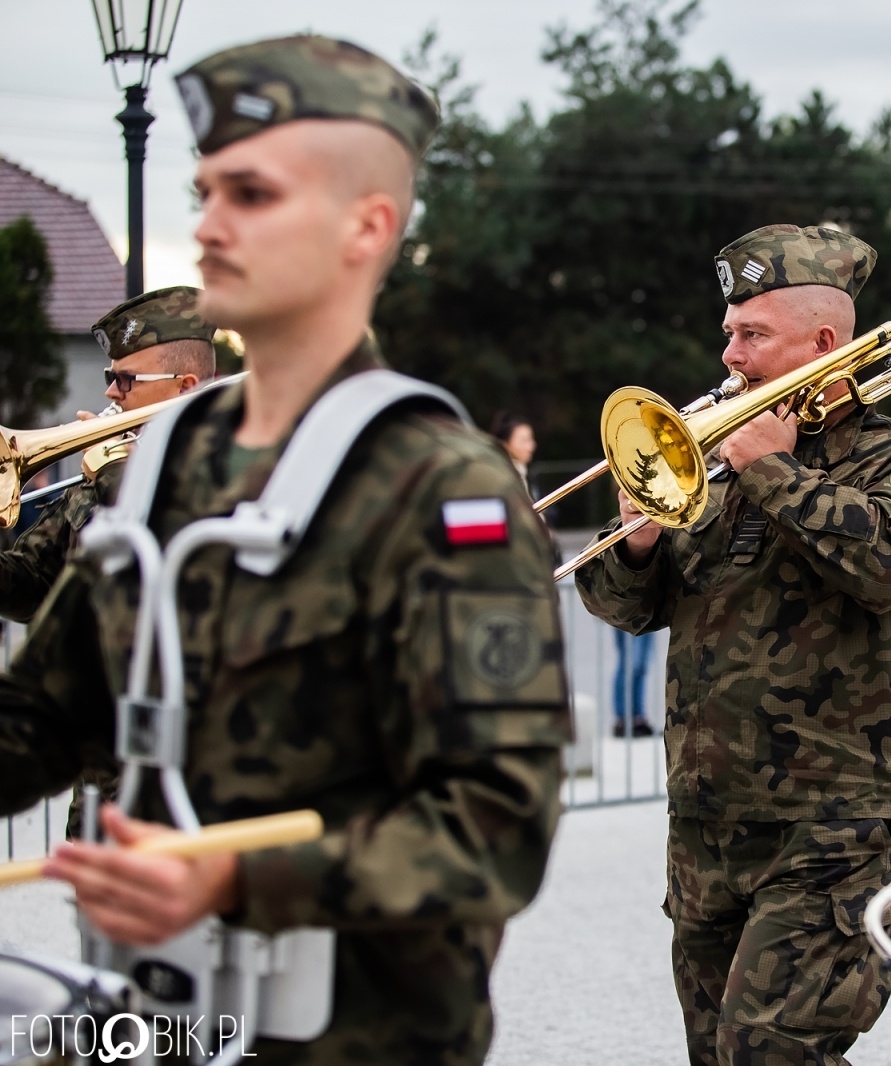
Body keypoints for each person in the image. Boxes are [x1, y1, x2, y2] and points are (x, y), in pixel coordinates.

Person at [0, 35, 569, 1064]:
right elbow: (40, 714)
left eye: (252, 195)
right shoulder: (164, 466)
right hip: (159, 1015)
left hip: (355, 1037)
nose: (209, 225)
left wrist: (235, 879)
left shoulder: (443, 487)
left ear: (368, 226)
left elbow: (494, 828)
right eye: (207, 191)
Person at [575, 223, 891, 1066]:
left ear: (824, 342)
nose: (731, 357)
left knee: (771, 1053)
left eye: (753, 335)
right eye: (729, 333)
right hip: (708, 822)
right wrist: (636, 540)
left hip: (839, 822)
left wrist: (778, 474)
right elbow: (624, 607)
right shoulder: (709, 465)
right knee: (718, 1055)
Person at [0, 286, 217, 623]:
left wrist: (114, 470)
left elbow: (163, 568)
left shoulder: (223, 466)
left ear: (185, 387)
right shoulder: (108, 467)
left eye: (126, 379)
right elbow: (34, 582)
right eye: (110, 376)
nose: (111, 391)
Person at [611, 627, 656, 737]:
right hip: (632, 613)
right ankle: (623, 717)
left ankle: (637, 715)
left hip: (649, 612)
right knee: (629, 661)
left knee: (641, 663)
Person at [490, 409, 541, 502]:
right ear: (504, 443)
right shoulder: (497, 476)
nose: (531, 446)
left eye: (530, 439)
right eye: (524, 440)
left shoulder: (524, 473)